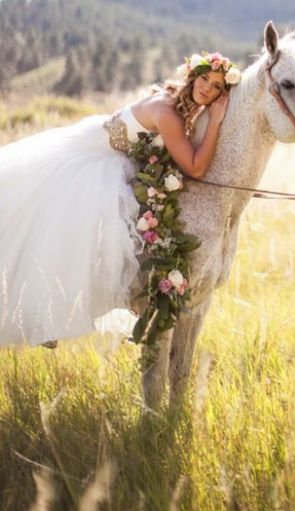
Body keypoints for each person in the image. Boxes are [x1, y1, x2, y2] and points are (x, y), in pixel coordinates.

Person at [0, 51, 241, 348]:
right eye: (205, 78)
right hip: (96, 158)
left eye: (217, 86)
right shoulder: (168, 112)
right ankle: (46, 316)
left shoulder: (178, 102)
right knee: (85, 223)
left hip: (112, 152)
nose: (207, 87)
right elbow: (194, 167)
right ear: (192, 76)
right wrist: (216, 122)